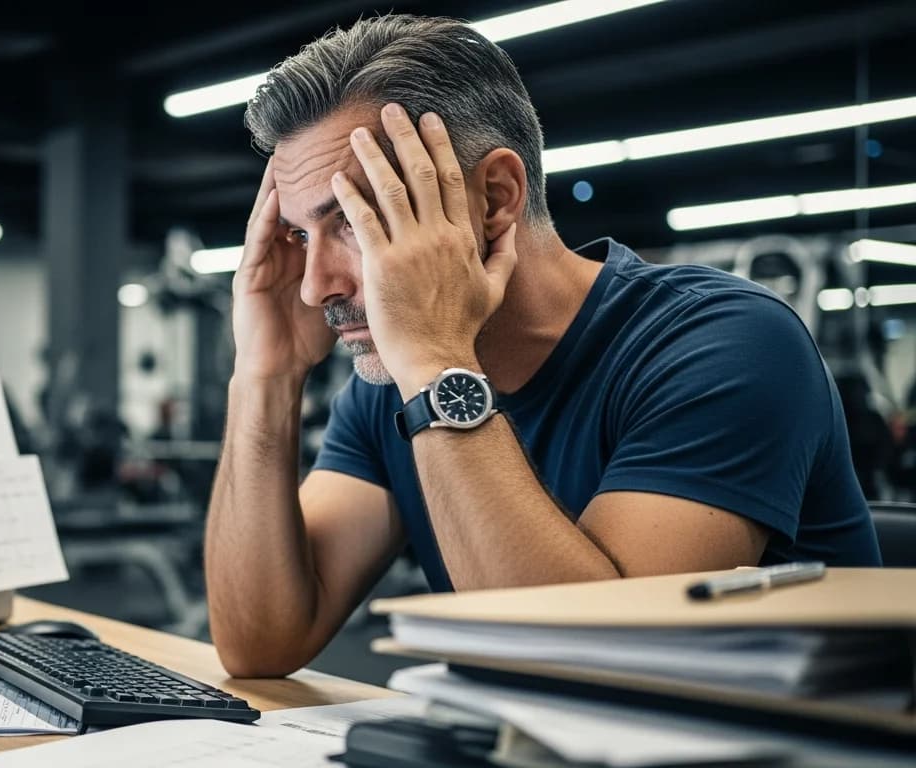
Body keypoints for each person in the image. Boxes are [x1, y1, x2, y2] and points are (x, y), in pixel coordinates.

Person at [204, 15, 881, 678]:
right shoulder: (388, 390)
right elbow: (259, 644)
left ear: (495, 198)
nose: (314, 287)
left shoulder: (724, 342)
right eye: (299, 236)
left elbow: (591, 666)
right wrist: (265, 377)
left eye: (351, 221)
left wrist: (437, 360)